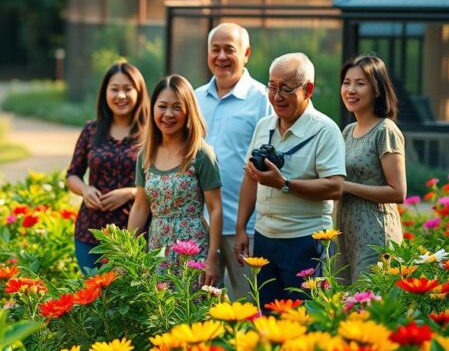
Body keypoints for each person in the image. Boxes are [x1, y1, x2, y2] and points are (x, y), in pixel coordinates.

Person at [235, 53, 346, 308]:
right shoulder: (264, 126)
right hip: (264, 238)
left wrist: (284, 184)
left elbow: (335, 187)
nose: (276, 97)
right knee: (269, 319)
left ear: (308, 90)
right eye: (272, 87)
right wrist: (242, 227)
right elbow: (251, 178)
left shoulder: (325, 130)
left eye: (285, 89)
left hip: (306, 241)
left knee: (307, 319)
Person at [194, 23, 272, 300]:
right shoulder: (195, 98)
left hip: (245, 229)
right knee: (199, 310)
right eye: (215, 50)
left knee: (246, 306)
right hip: (199, 228)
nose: (222, 57)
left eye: (230, 49)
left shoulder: (263, 99)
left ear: (247, 53)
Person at [128, 75, 223, 286]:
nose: (168, 114)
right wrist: (126, 255)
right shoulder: (146, 154)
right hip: (157, 249)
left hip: (194, 251)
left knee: (193, 311)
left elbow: (215, 208)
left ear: (188, 110)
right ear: (153, 109)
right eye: (162, 106)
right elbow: (140, 207)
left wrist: (212, 258)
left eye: (177, 107)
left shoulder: (201, 154)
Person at [66, 62, 150, 273]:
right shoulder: (91, 130)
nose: (120, 95)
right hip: (90, 231)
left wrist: (130, 193)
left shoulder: (151, 134)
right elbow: (72, 175)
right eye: (114, 89)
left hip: (134, 231)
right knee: (93, 297)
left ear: (139, 92)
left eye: (127, 89)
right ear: (105, 92)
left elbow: (164, 181)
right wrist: (85, 190)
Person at [336, 54, 406, 284]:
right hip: (347, 233)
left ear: (377, 89)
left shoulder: (385, 130)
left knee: (368, 307)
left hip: (376, 235)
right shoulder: (347, 131)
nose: (351, 90)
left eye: (360, 83)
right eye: (347, 83)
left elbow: (398, 192)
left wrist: (347, 186)